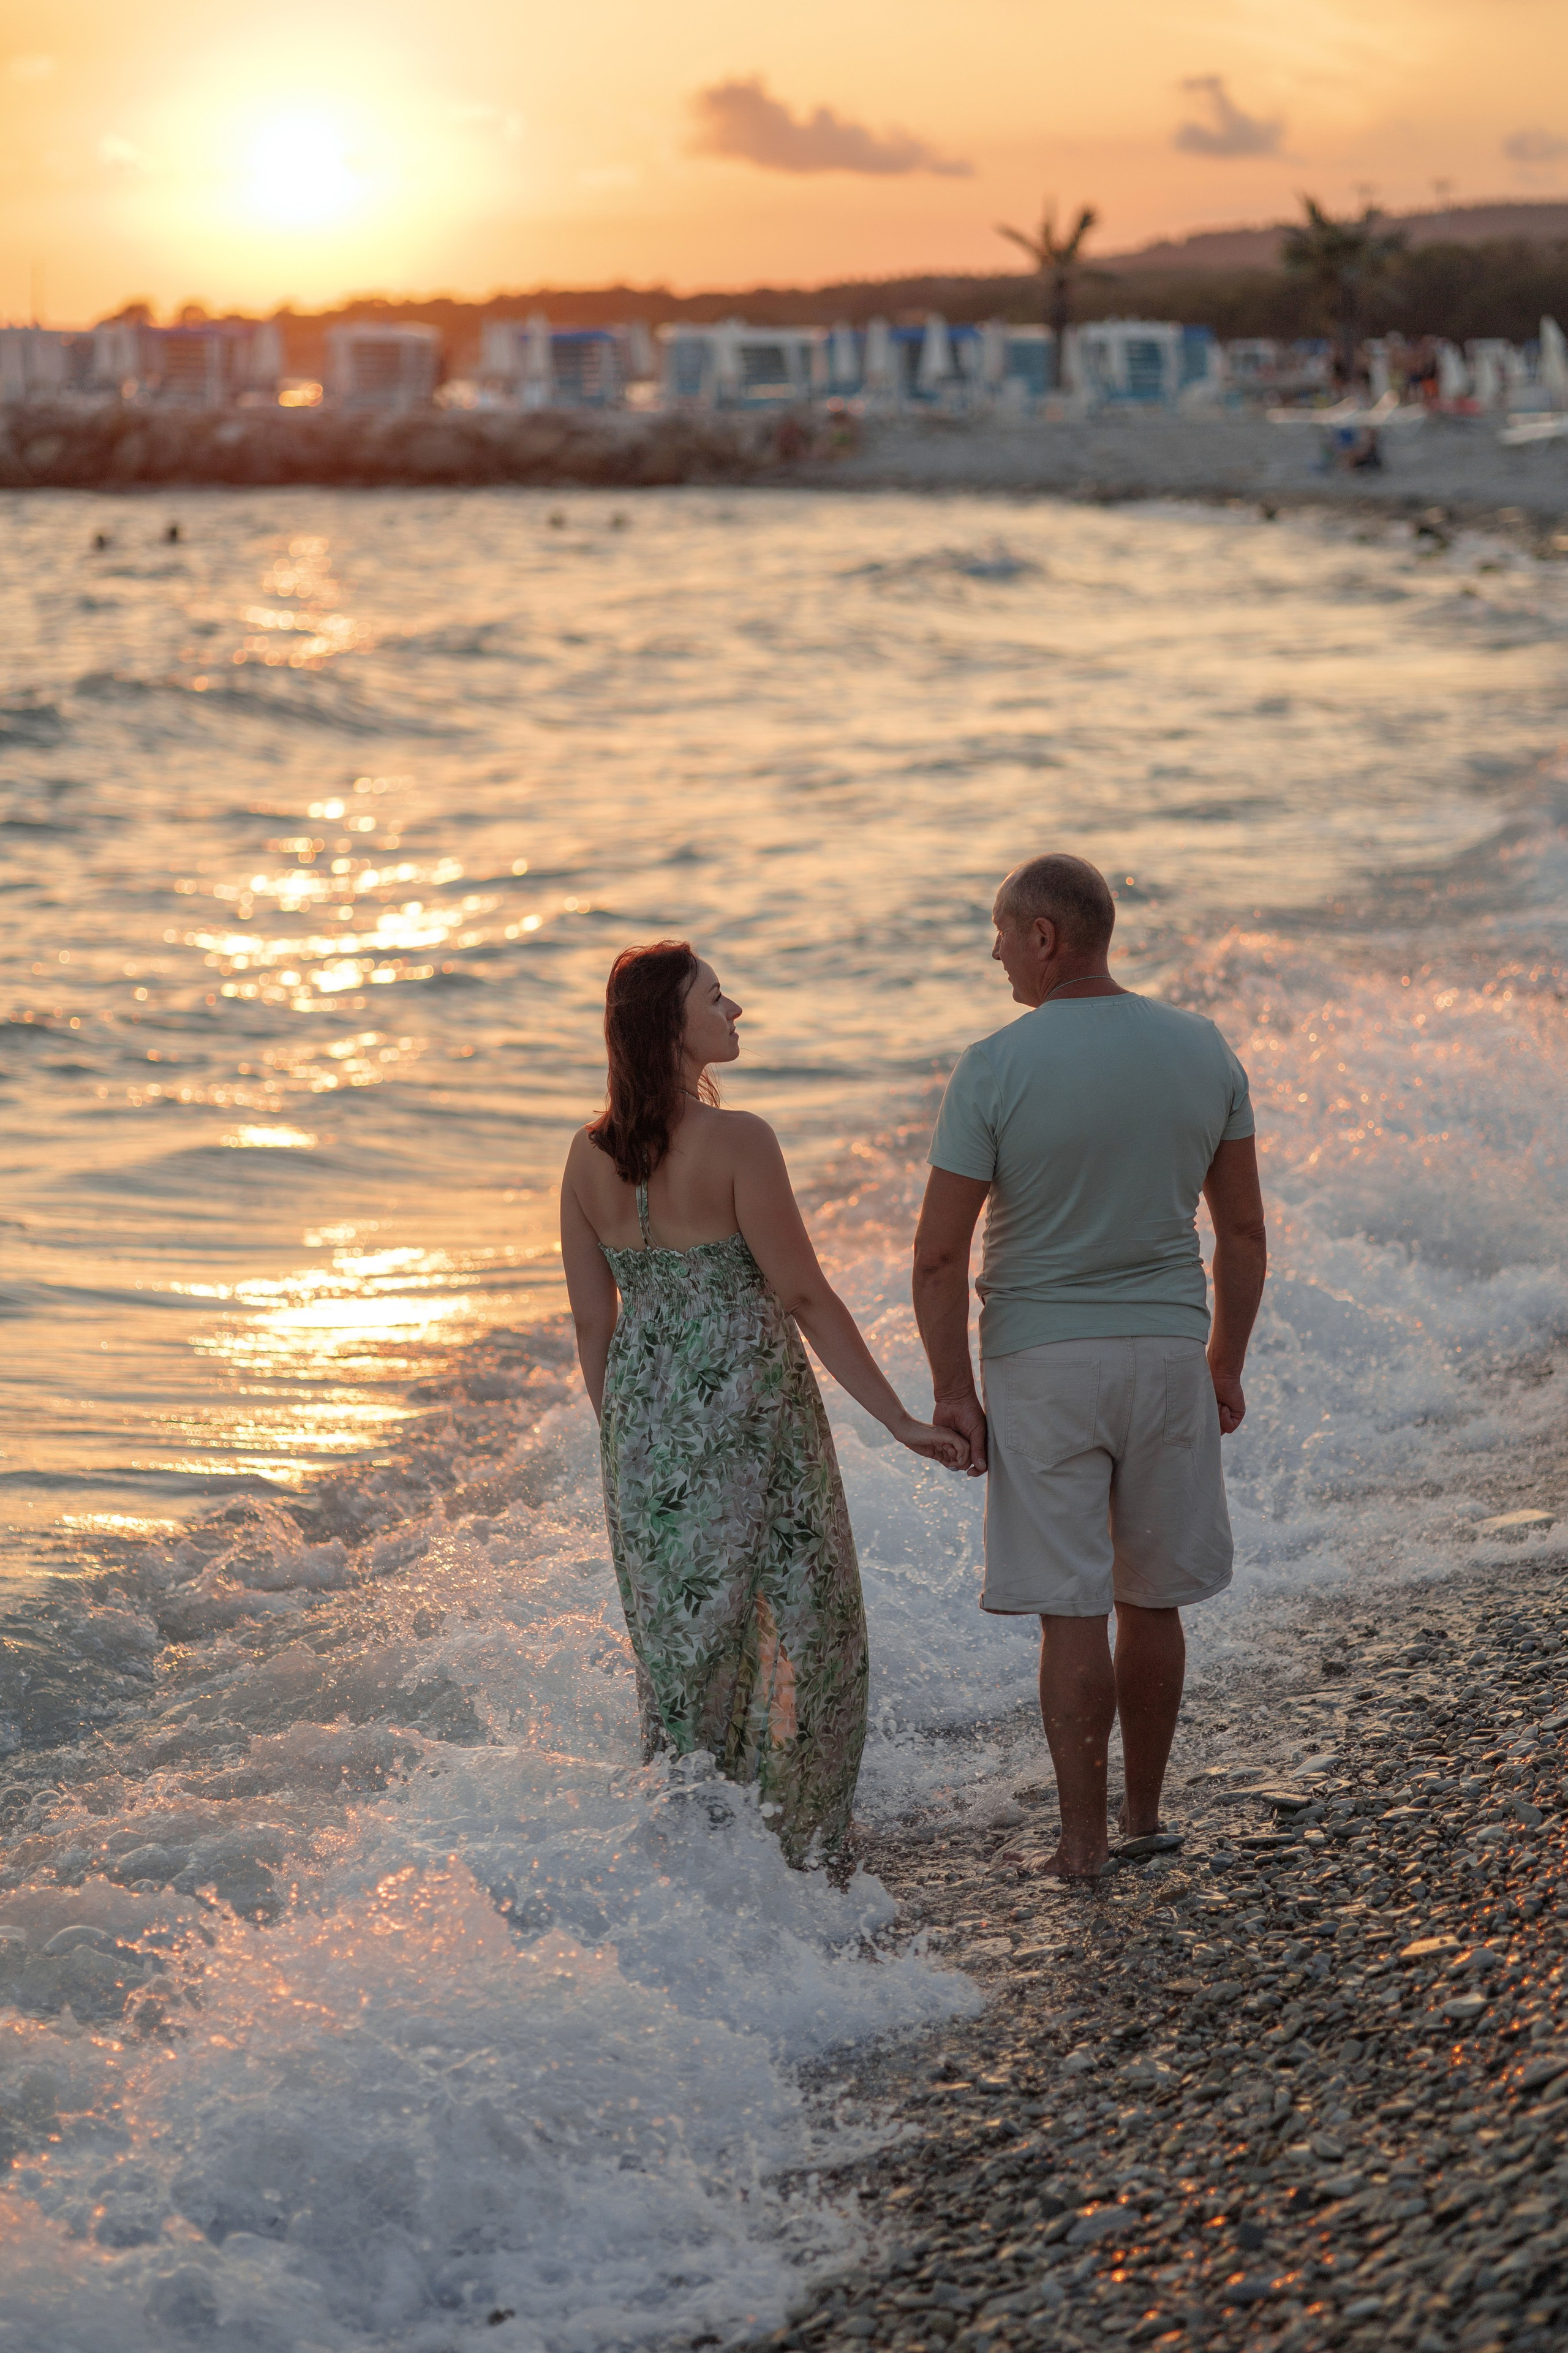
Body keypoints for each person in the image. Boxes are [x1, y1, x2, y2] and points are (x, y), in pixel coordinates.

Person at [560, 940, 965, 1866]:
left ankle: (689, 1859)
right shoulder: (741, 1140)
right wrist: (897, 1417)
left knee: (681, 1660)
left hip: (639, 1433)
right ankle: (801, 1854)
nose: (734, 1008)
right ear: (673, 1024)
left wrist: (626, 1435)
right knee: (805, 1621)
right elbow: (806, 1294)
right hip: (754, 1420)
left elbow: (594, 1325)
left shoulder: (586, 1158)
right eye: (716, 996)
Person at [911, 856, 1267, 1885]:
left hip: (1042, 1362)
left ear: (1045, 938)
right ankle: (1146, 1813)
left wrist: (951, 1392)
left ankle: (1080, 1843)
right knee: (1149, 1598)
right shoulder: (1202, 1047)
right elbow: (1241, 1232)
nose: (992, 952)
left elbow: (938, 1255)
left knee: (1072, 1609)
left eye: (1000, 931)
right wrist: (1224, 1361)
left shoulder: (993, 1066)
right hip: (1166, 1354)